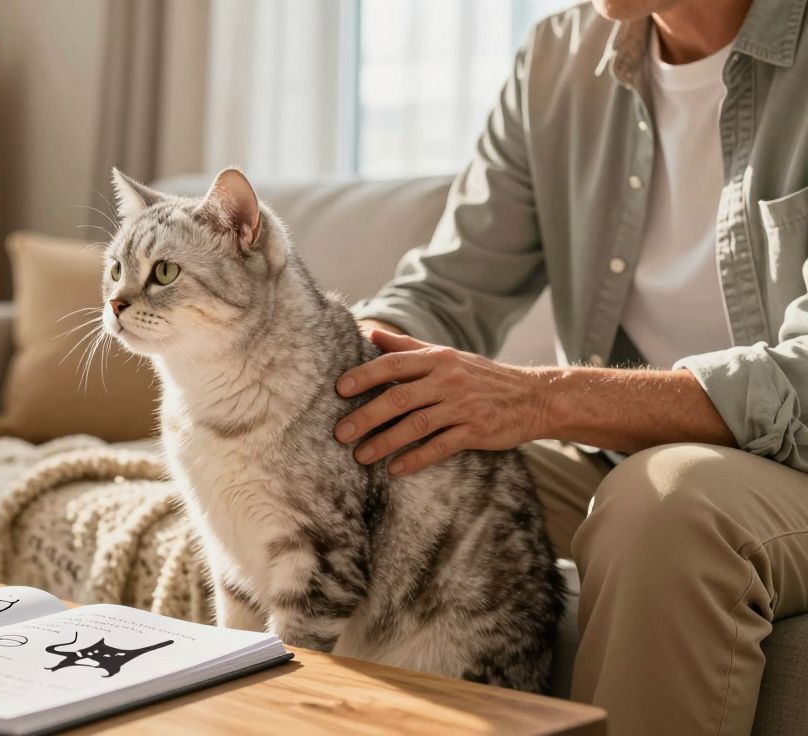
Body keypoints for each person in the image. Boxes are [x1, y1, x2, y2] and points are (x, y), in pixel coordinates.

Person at [335, 0, 808, 733]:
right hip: (610, 452)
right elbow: (449, 288)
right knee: (395, 445)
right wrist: (337, 364)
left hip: (790, 468)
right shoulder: (558, 62)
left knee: (664, 505)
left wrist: (542, 398)